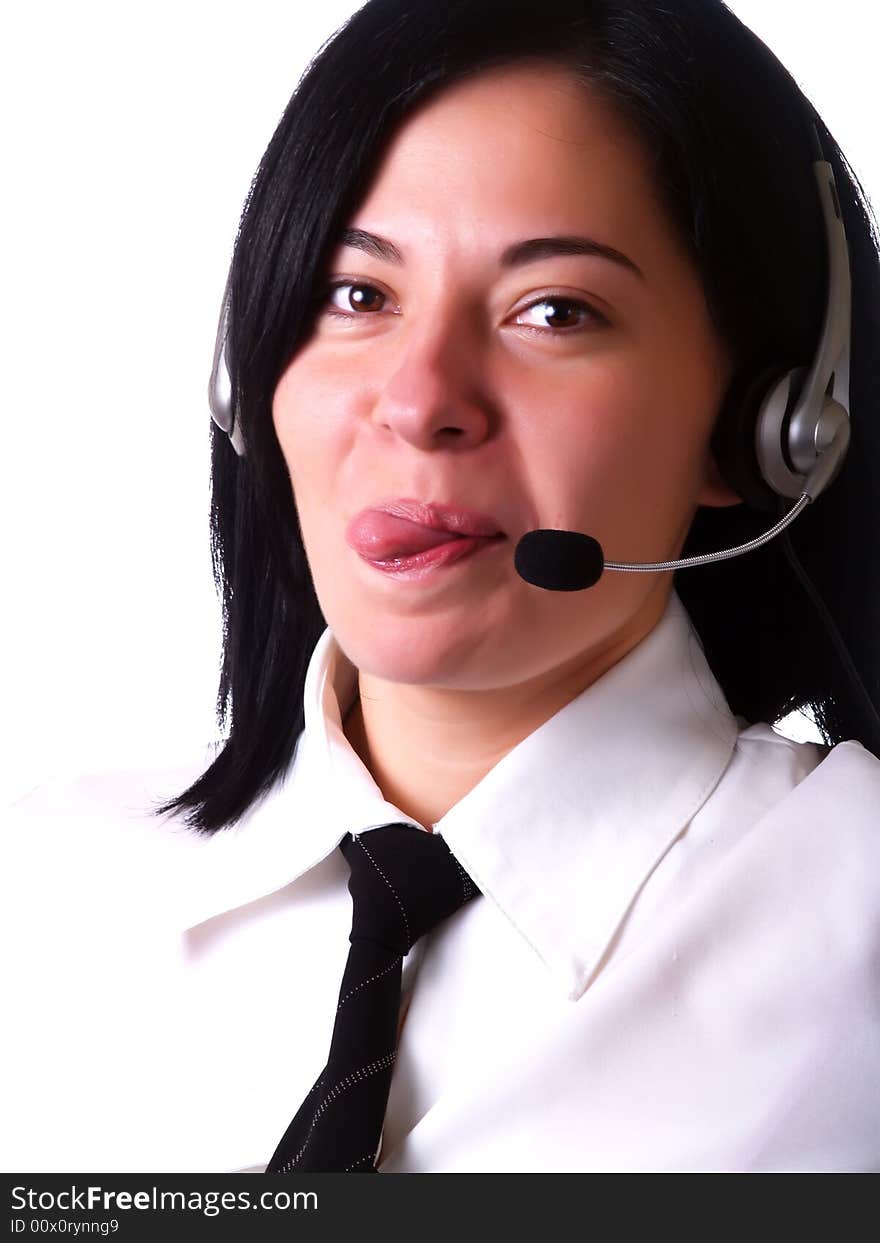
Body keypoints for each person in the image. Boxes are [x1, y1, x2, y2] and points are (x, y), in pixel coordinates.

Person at [3, 0, 879, 1174]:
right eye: (356, 295)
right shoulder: (43, 883)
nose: (419, 400)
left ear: (768, 424)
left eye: (553, 311)